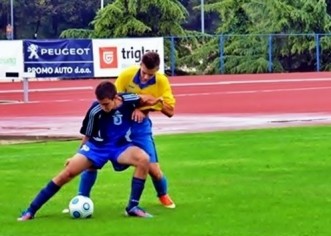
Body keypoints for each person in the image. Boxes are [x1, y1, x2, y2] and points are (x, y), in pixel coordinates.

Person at [18, 81, 163, 221]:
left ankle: (133, 207)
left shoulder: (129, 99)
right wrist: (77, 155)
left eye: (106, 103)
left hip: (120, 146)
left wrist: (142, 108)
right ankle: (31, 210)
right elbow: (87, 135)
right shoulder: (95, 110)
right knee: (66, 174)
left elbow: (149, 99)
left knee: (144, 159)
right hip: (97, 147)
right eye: (100, 103)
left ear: (116, 97)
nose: (103, 107)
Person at [76, 51, 176, 208]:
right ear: (140, 65)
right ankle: (81, 198)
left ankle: (163, 195)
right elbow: (113, 100)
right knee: (91, 161)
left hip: (139, 127)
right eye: (144, 73)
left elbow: (170, 111)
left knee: (153, 168)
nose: (145, 77)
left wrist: (143, 109)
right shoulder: (126, 75)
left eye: (150, 75)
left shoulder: (162, 81)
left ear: (157, 70)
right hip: (117, 124)